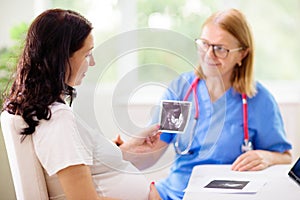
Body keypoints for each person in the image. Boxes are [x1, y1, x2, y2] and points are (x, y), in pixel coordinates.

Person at [118, 8, 292, 200]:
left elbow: (285, 156)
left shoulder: (259, 100)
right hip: (174, 193)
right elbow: (152, 153)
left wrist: (267, 157)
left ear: (242, 54)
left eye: (220, 49)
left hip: (227, 195)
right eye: (204, 44)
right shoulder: (182, 91)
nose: (209, 54)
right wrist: (124, 153)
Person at [1, 8, 162, 200]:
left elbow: (85, 164)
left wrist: (128, 149)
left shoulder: (45, 111)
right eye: (87, 54)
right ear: (61, 58)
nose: (92, 63)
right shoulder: (57, 119)